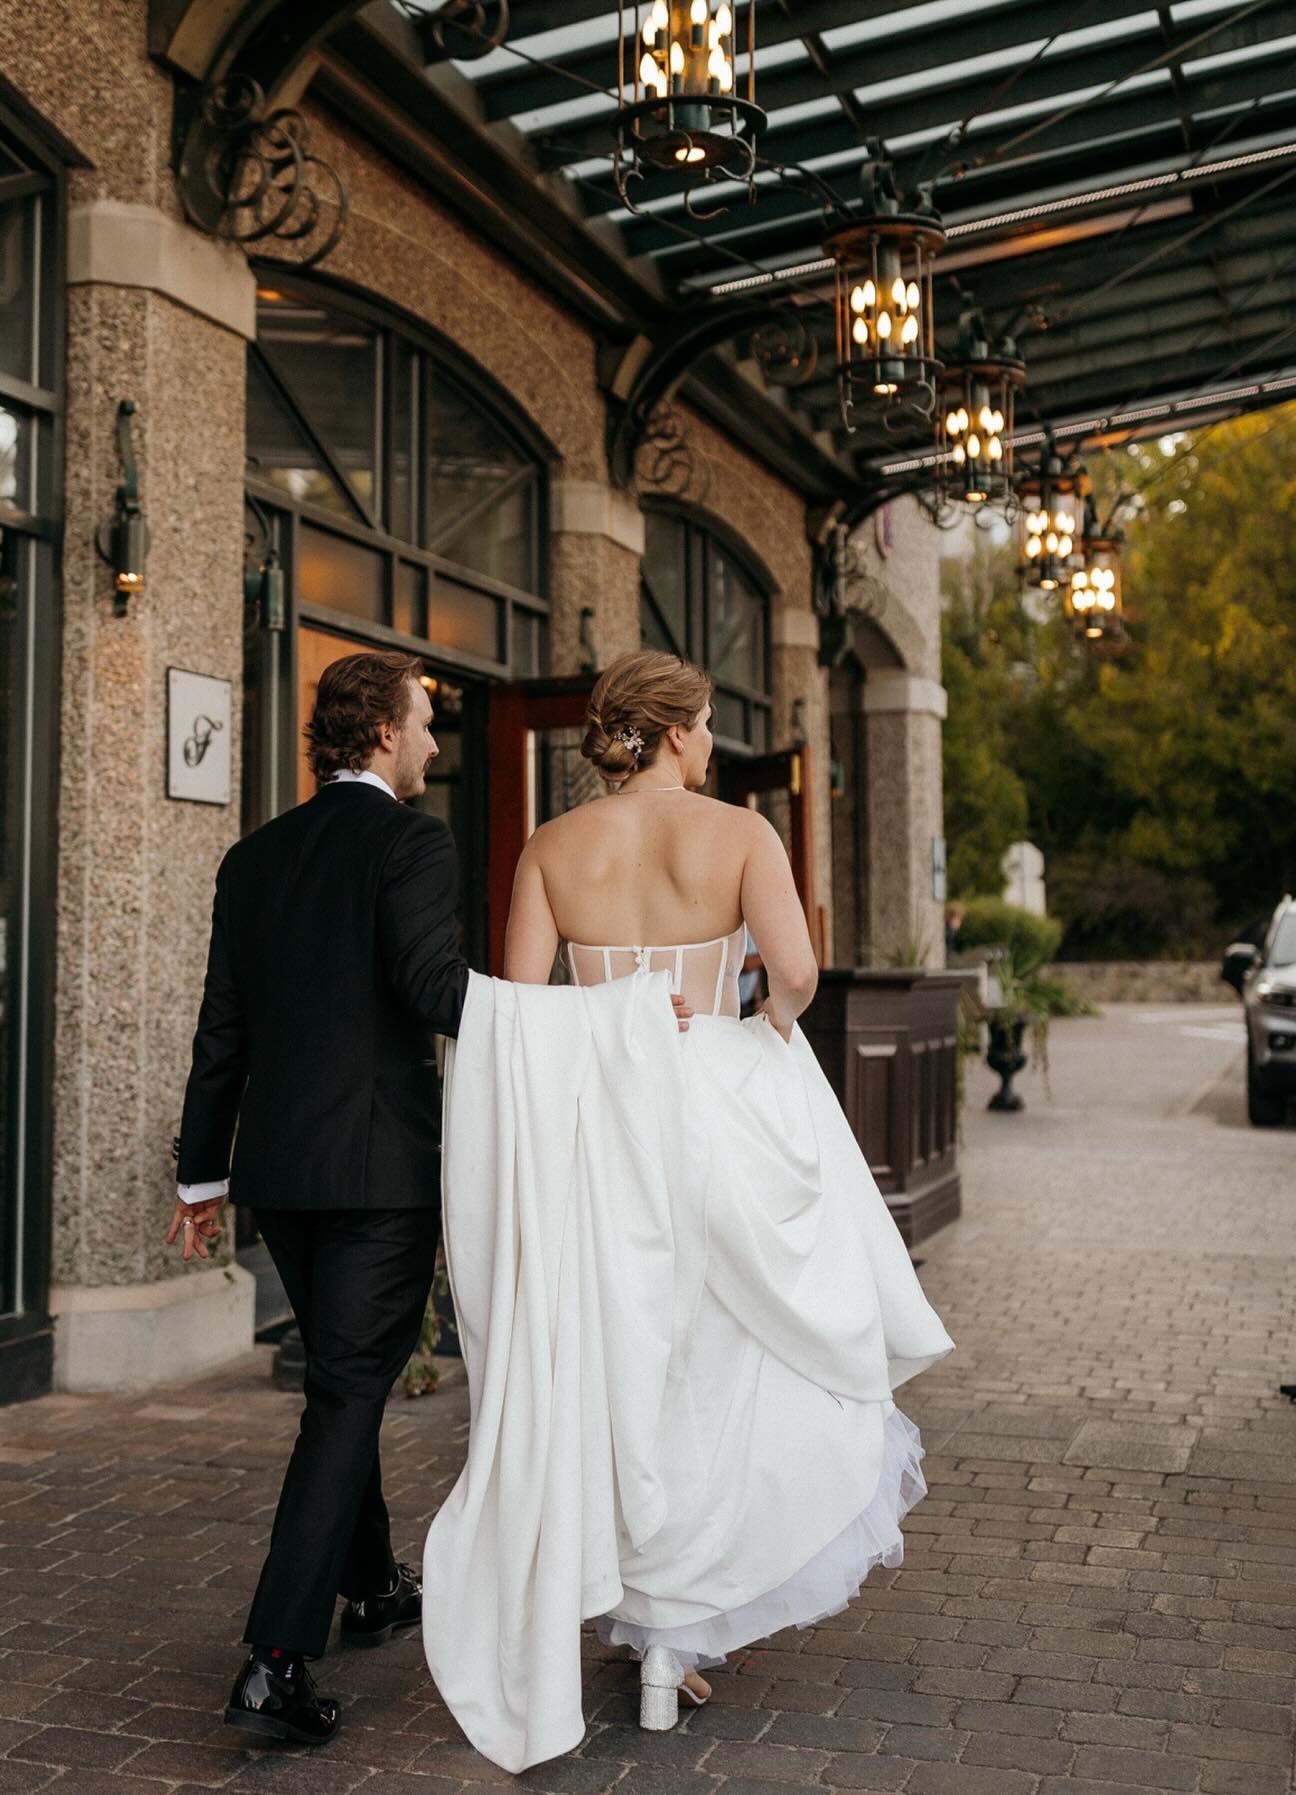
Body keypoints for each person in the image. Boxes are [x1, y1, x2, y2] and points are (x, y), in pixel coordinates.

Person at [422, 649, 956, 1773]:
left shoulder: (553, 848)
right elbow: (799, 973)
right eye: (706, 724)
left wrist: (613, 1016)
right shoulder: (741, 835)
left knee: (628, 1360)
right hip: (720, 1096)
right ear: (673, 733)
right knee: (730, 1358)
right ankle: (678, 1635)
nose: (712, 744)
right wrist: (752, 1027)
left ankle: (647, 1613)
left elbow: (526, 1014)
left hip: (604, 1120)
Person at [167, 651, 468, 1747]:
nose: (435, 743)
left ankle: (375, 1583)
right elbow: (434, 992)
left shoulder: (254, 857)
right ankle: (275, 1660)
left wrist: (201, 1176)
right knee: (347, 1389)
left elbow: (221, 1032)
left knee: (347, 1377)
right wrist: (585, 1025)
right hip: (381, 1178)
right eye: (426, 724)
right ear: (383, 734)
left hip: (281, 1181)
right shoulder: (411, 842)